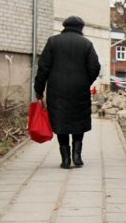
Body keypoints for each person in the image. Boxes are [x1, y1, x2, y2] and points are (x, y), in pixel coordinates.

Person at [34, 15, 101, 168]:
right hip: (79, 89)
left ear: (65, 26)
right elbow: (95, 67)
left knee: (61, 122)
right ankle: (77, 156)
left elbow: (43, 67)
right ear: (81, 28)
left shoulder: (53, 42)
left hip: (57, 89)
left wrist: (39, 90)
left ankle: (65, 159)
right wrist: (86, 81)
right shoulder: (86, 44)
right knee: (78, 120)